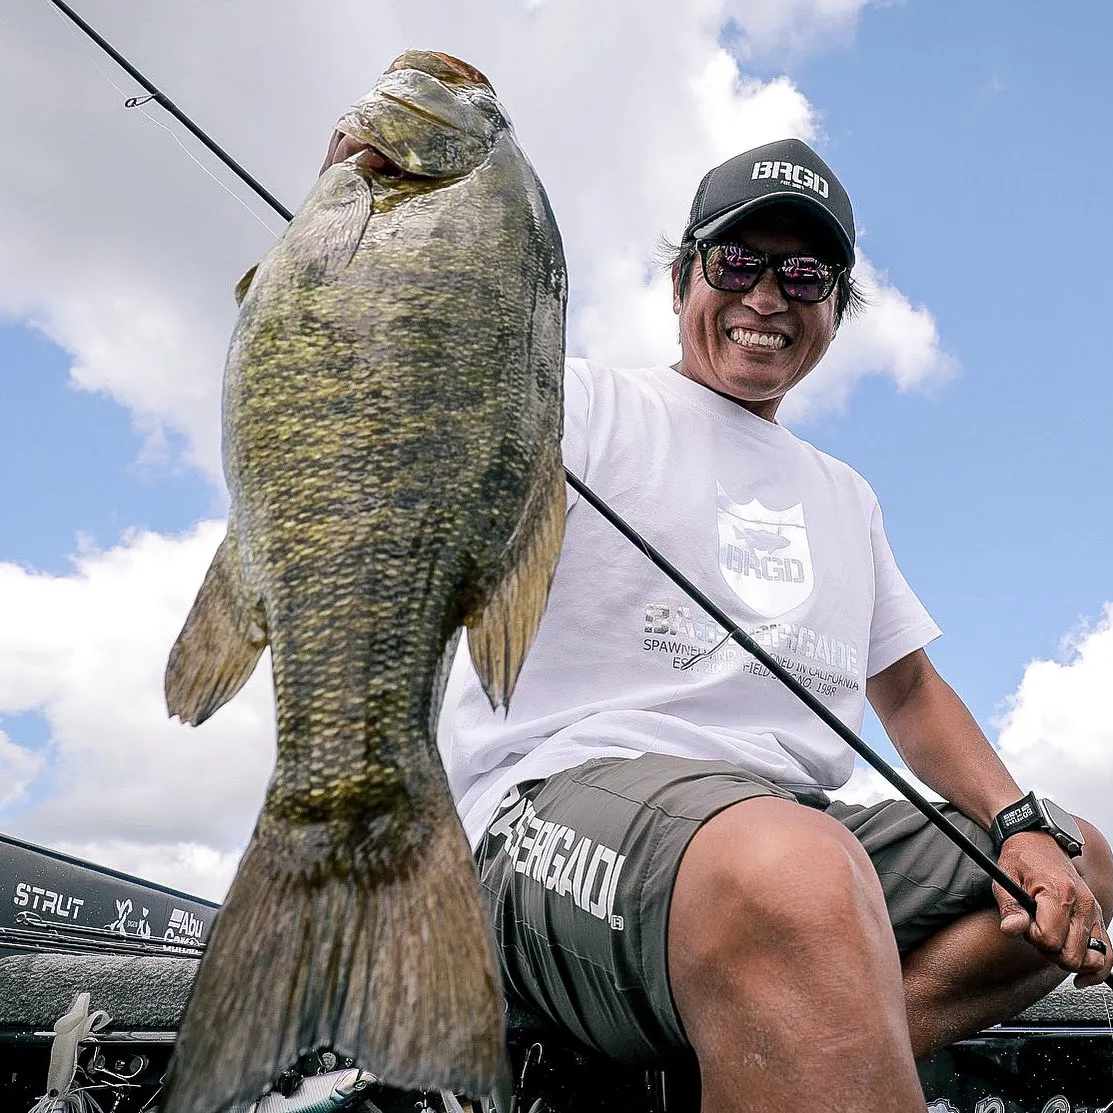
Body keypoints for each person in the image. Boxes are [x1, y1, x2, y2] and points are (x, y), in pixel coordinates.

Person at [323, 130, 1113, 1111]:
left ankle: (764, 1069)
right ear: (680, 277)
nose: (768, 296)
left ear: (836, 305)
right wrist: (374, 230)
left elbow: (907, 690)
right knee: (794, 870)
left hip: (785, 841)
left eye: (805, 275)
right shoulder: (576, 403)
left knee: (1081, 862)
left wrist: (1018, 825)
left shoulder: (846, 495)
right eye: (737, 262)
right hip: (548, 814)